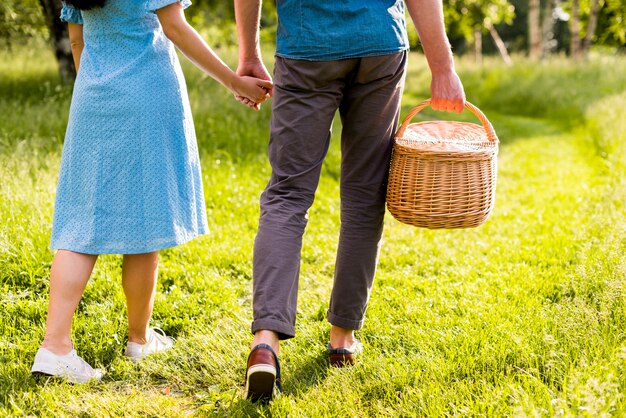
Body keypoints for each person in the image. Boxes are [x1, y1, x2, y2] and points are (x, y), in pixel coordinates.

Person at [235, 0, 466, 401]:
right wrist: (442, 67)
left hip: (306, 45)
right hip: (378, 42)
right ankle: (342, 339)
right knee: (364, 196)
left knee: (287, 196)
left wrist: (249, 54)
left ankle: (266, 342)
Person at [30, 0, 272, 384]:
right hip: (146, 99)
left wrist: (101, 89)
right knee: (146, 215)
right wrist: (234, 81)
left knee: (82, 222)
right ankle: (131, 340)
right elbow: (174, 27)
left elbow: (76, 39)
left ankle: (64, 345)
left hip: (94, 100)